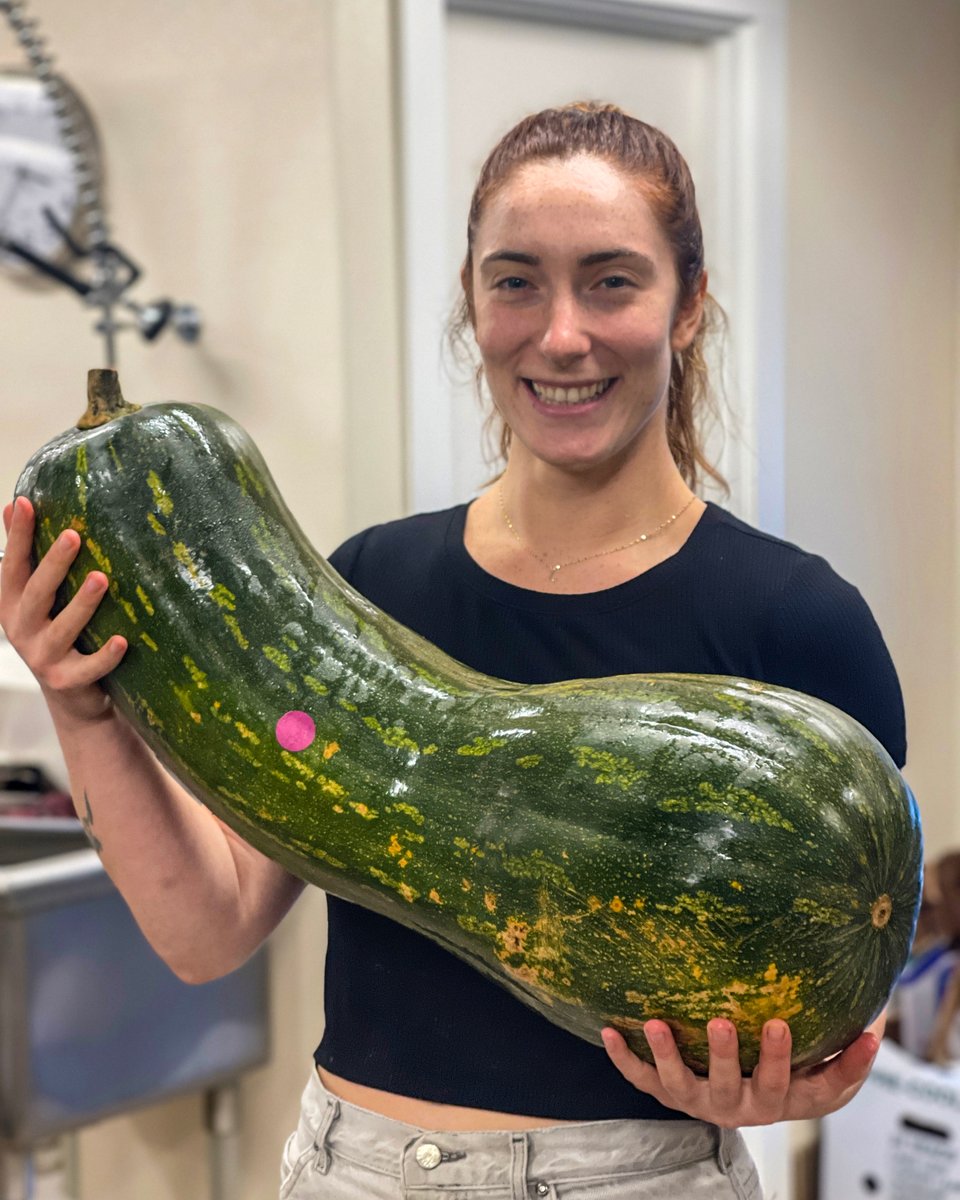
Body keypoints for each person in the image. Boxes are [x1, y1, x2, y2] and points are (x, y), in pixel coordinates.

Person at [0, 102, 905, 1199]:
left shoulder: (795, 617)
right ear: (472, 304)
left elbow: (842, 1013)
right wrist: (83, 703)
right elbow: (208, 930)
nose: (560, 334)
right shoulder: (369, 584)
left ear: (686, 307)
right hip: (351, 1168)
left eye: (612, 281)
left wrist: (787, 1087)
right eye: (516, 280)